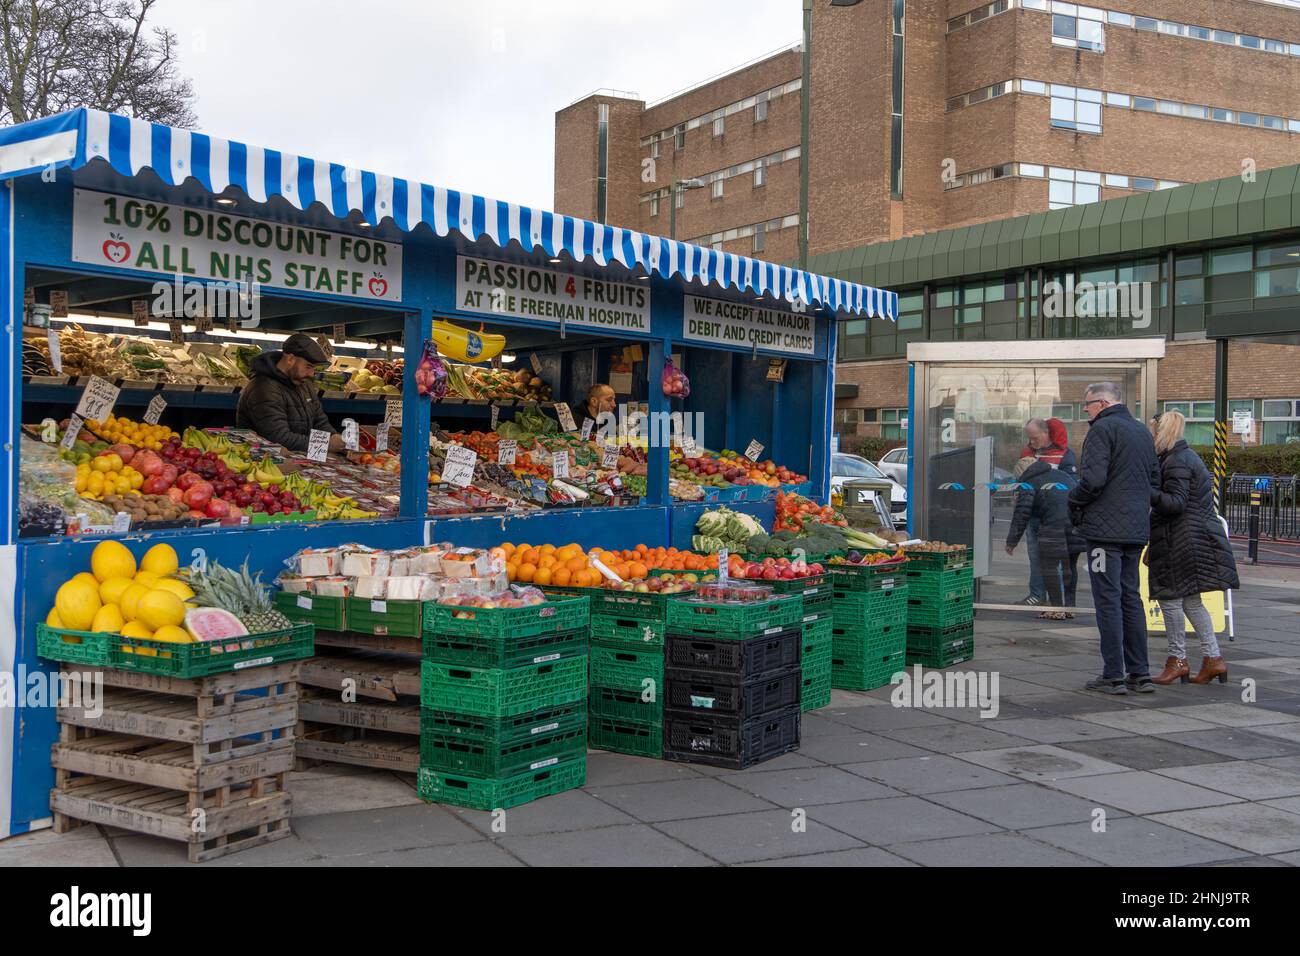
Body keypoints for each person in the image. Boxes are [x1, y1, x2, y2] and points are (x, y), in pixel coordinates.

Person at [1068, 381, 1161, 695]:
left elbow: (1093, 479)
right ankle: (1141, 673)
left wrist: (1074, 499)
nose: (1086, 410)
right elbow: (1154, 481)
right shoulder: (1142, 433)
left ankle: (1112, 674)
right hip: (1135, 530)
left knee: (1107, 601)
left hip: (1104, 532)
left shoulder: (1102, 430)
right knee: (1130, 598)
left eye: (1088, 403)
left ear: (1104, 403)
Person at [1147, 411, 1240, 685]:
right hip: (1194, 538)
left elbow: (1175, 503)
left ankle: (1178, 660)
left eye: (1153, 432)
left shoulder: (1176, 461)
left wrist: (1146, 489)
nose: (1151, 437)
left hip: (1180, 538)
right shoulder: (1183, 457)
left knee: (1171, 599)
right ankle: (1214, 659)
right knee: (1191, 601)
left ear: (1162, 433)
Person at [1006, 454, 1085, 620]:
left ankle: (1056, 608)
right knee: (1069, 567)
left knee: (1050, 568)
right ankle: (1069, 606)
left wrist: (1011, 541)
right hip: (1075, 526)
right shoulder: (1060, 475)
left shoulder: (1029, 482)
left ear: (1021, 473)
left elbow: (1022, 513)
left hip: (1053, 527)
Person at [235, 333, 343, 453]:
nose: (311, 374)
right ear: (290, 359)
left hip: (297, 460)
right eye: (308, 367)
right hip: (266, 463)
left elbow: (319, 421)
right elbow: (278, 438)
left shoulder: (304, 384)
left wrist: (335, 437)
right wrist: (325, 445)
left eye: (314, 369)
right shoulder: (263, 388)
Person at [1017, 417, 1078, 607]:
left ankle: (1058, 602)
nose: (1032, 442)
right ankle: (1037, 595)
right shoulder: (1029, 452)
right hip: (1033, 514)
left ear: (1046, 434)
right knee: (1035, 558)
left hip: (1053, 518)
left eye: (1035, 438)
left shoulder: (1065, 455)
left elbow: (1071, 484)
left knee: (1056, 563)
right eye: (1029, 438)